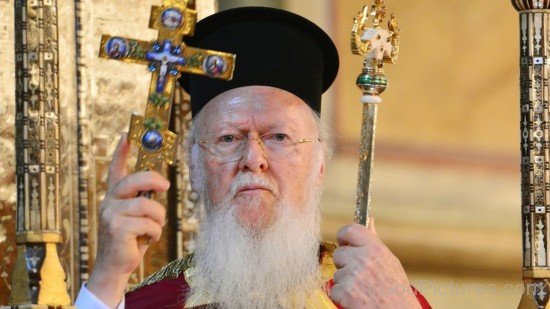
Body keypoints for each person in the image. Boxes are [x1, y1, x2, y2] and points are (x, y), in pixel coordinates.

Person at [75, 6, 431, 309]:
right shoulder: (146, 304)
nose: (253, 159)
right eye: (229, 138)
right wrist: (107, 277)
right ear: (195, 168)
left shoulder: (378, 299)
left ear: (319, 165)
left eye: (279, 137)